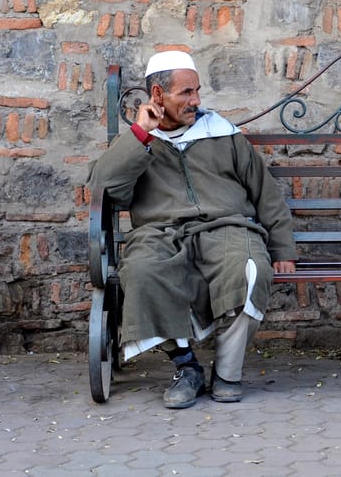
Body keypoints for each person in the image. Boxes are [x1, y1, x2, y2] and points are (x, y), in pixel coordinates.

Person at [88, 51, 297, 409]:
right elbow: (105, 189)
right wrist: (140, 134)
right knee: (140, 271)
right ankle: (186, 367)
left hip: (227, 228)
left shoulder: (223, 134)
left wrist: (283, 249)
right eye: (186, 92)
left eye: (197, 90)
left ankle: (227, 373)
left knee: (250, 269)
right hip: (158, 233)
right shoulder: (139, 141)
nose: (196, 100)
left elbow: (266, 193)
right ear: (158, 95)